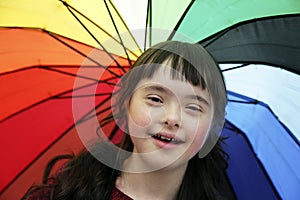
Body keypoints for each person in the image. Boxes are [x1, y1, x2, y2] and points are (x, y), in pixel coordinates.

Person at [23, 41, 230, 200]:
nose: (172, 118)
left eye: (193, 107)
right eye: (156, 99)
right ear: (126, 105)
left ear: (215, 125)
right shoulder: (68, 192)